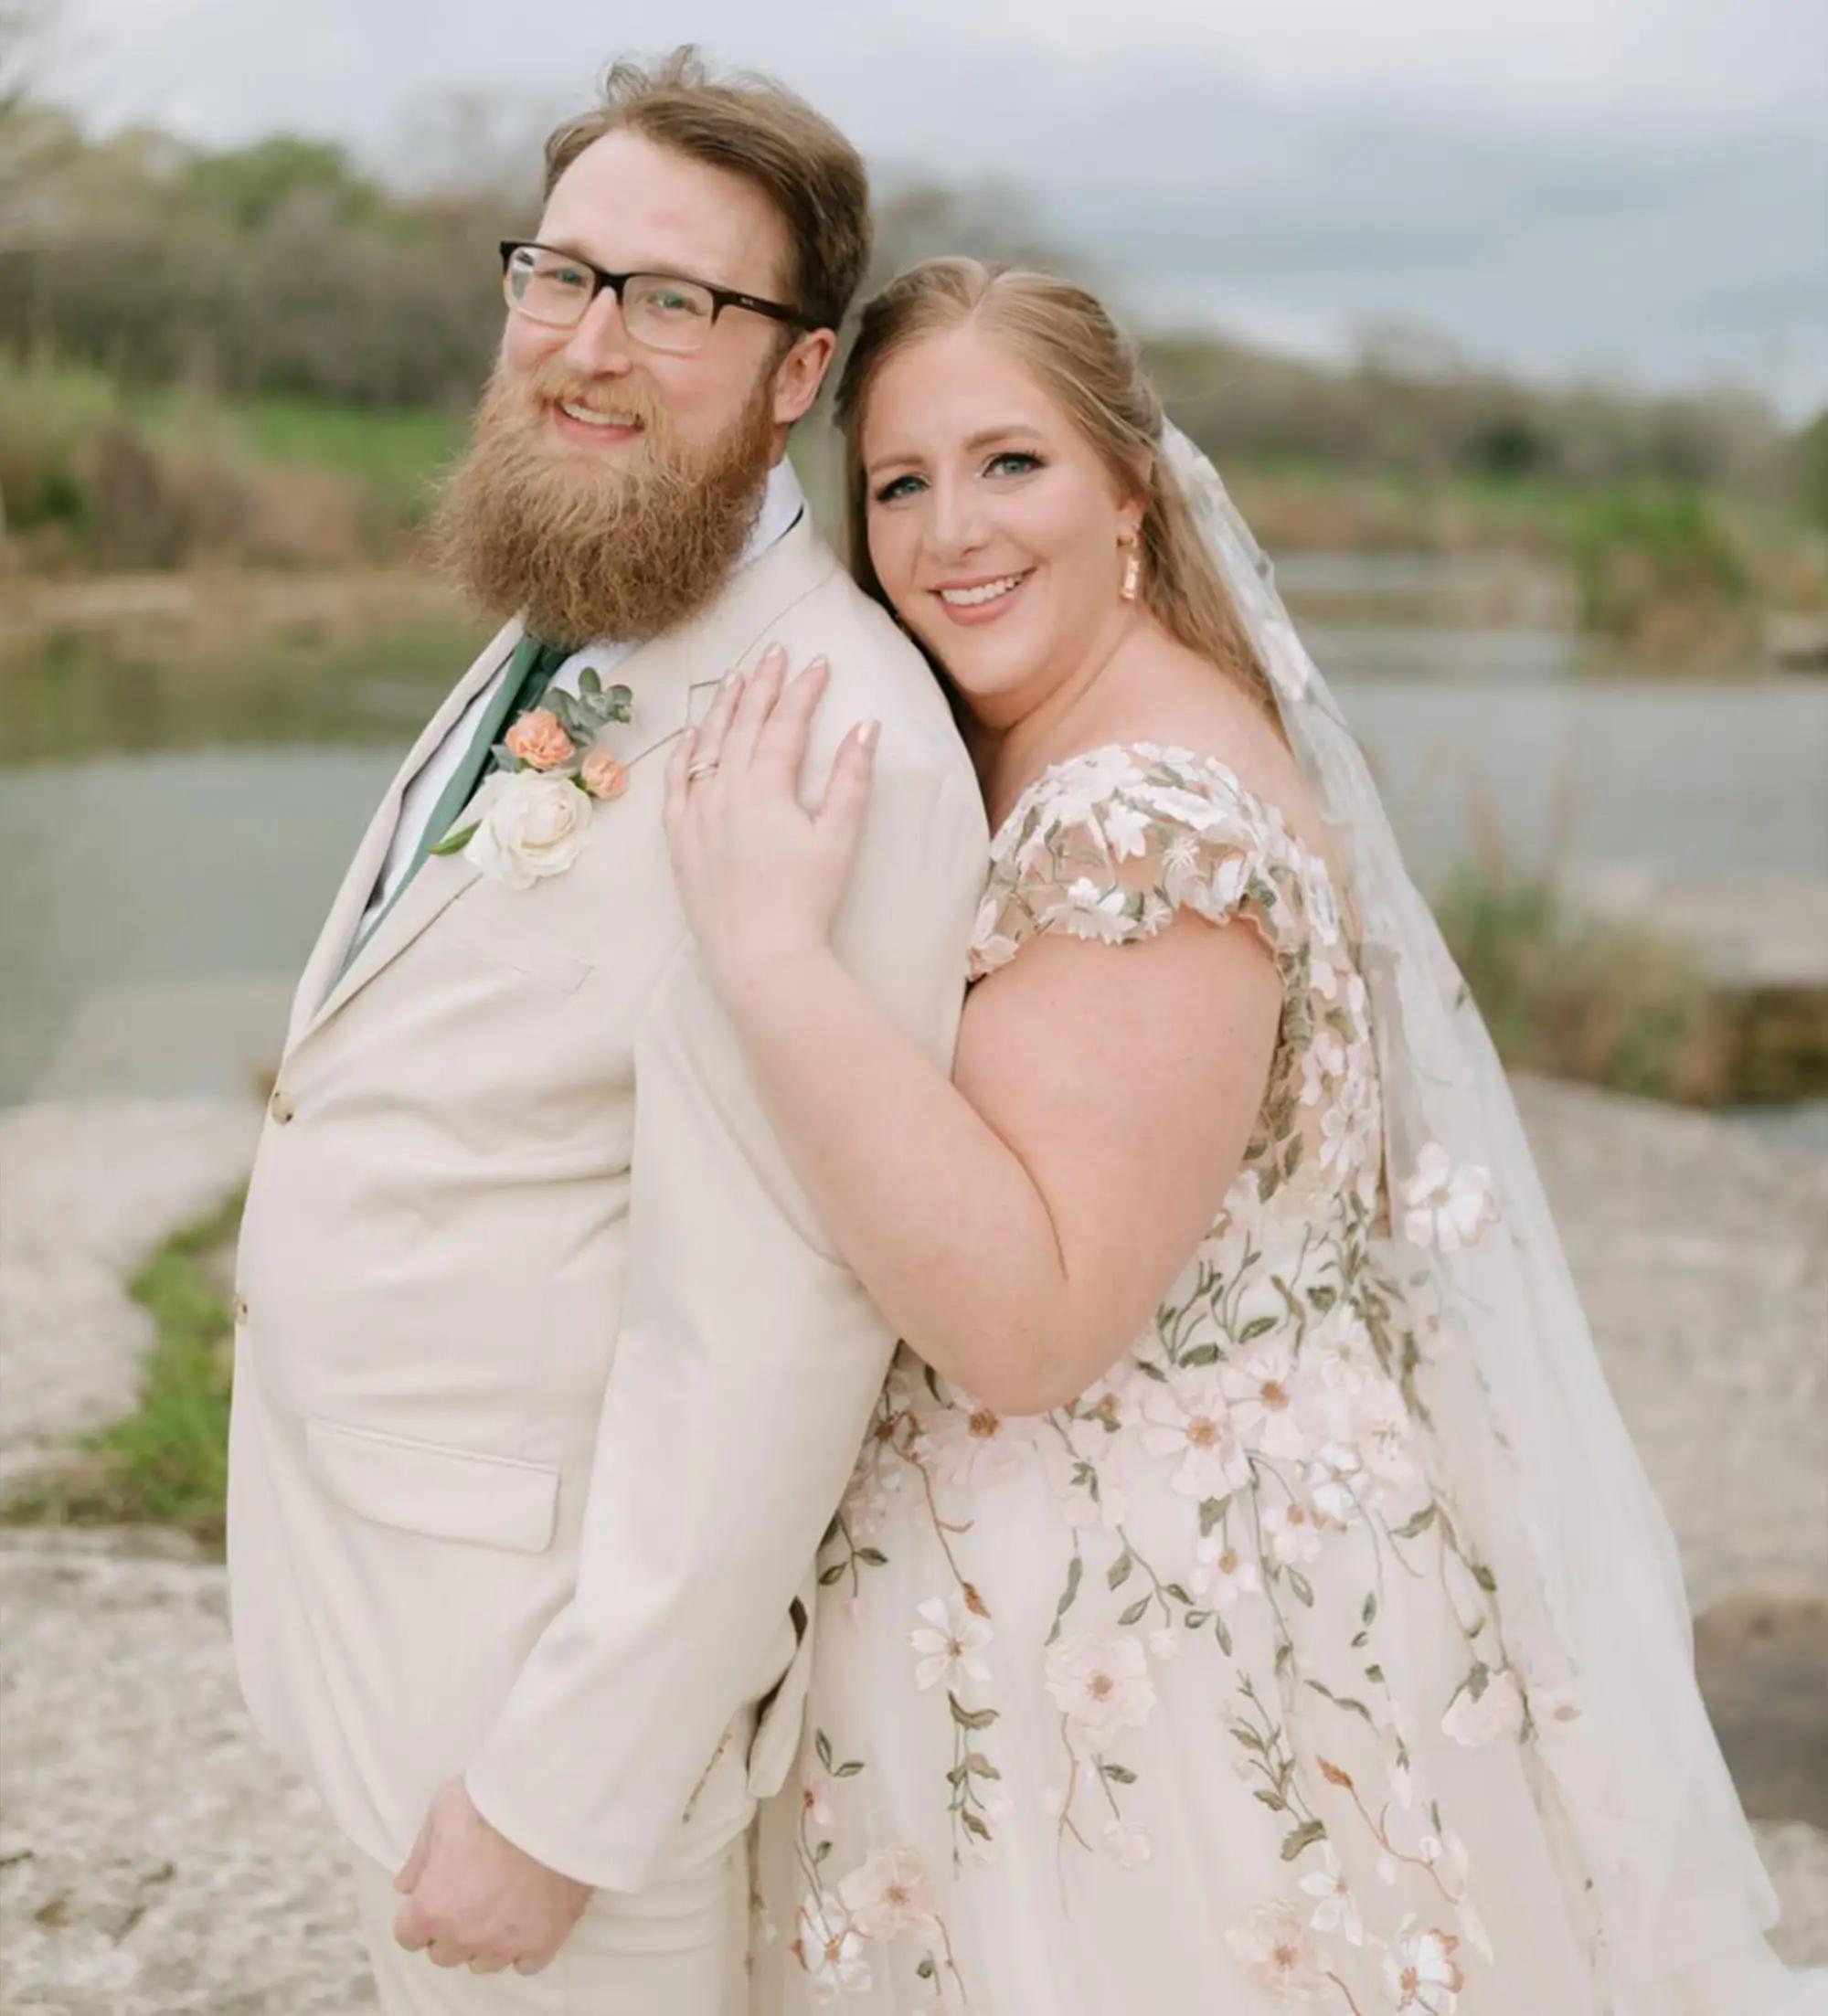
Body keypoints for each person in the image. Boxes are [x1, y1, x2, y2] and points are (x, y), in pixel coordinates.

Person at [662, 259, 1826, 2014]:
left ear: (1129, 489)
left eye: (1012, 464)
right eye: (900, 481)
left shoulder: (1134, 819)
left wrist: (767, 953)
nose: (950, 530)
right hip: (1202, 1586)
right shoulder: (1139, 734)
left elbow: (1034, 1322)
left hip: (1145, 1660)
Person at [223, 55, 985, 2011]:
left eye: (672, 302)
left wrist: (560, 1792)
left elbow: (777, 1317)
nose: (586, 343)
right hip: (396, 1613)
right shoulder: (586, 595)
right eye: (558, 277)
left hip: (547, 1714)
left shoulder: (830, 729)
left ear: (797, 374)